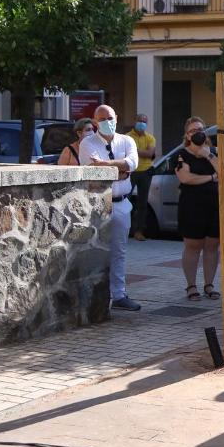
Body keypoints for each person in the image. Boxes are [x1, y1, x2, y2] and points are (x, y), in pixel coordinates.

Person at [80, 104, 142, 311]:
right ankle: (93, 297)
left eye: (110, 117)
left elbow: (132, 164)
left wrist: (106, 165)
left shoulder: (127, 140)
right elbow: (91, 171)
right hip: (97, 205)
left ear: (117, 117)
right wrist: (119, 168)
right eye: (103, 119)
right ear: (95, 122)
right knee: (94, 251)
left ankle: (119, 294)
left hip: (121, 203)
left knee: (119, 251)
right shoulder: (87, 143)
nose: (108, 122)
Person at [174, 117, 221, 302]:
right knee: (193, 246)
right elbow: (185, 178)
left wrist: (207, 154)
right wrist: (211, 177)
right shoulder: (181, 154)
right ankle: (191, 286)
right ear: (187, 134)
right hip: (191, 205)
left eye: (200, 129)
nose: (197, 133)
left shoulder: (214, 152)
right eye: (193, 130)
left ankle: (209, 285)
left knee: (212, 245)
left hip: (214, 204)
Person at [128, 114, 157, 241]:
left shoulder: (150, 138)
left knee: (142, 203)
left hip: (145, 172)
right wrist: (142, 152)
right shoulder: (127, 137)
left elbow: (150, 154)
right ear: (134, 121)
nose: (142, 123)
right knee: (126, 201)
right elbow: (125, 153)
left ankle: (139, 231)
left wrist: (134, 150)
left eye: (144, 121)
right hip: (131, 172)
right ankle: (126, 229)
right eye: (139, 120)